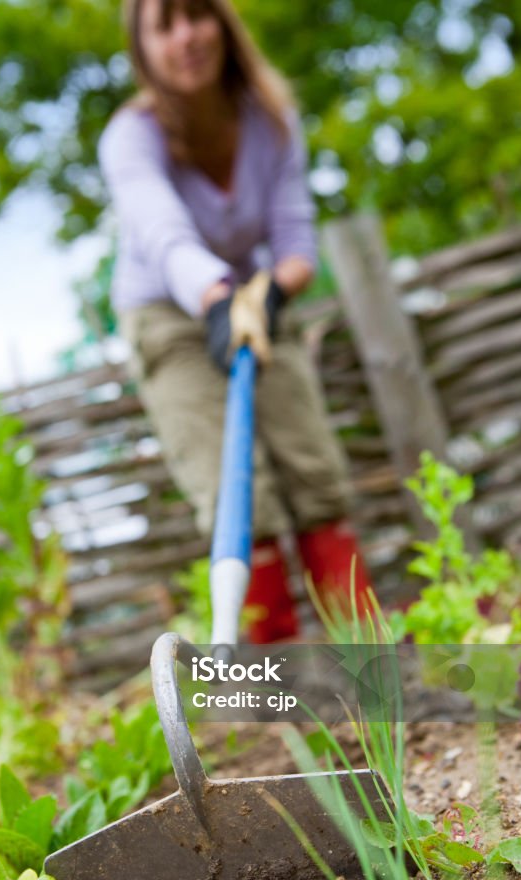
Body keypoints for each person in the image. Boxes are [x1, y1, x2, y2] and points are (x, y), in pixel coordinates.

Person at [99, 0, 373, 642]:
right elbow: (163, 235)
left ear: (224, 24)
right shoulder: (130, 138)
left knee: (313, 472)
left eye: (197, 15)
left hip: (254, 297)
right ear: (143, 48)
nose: (186, 37)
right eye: (164, 25)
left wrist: (268, 294)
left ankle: (368, 676)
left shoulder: (271, 120)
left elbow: (296, 241)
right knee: (235, 492)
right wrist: (217, 296)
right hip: (169, 314)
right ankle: (275, 699)